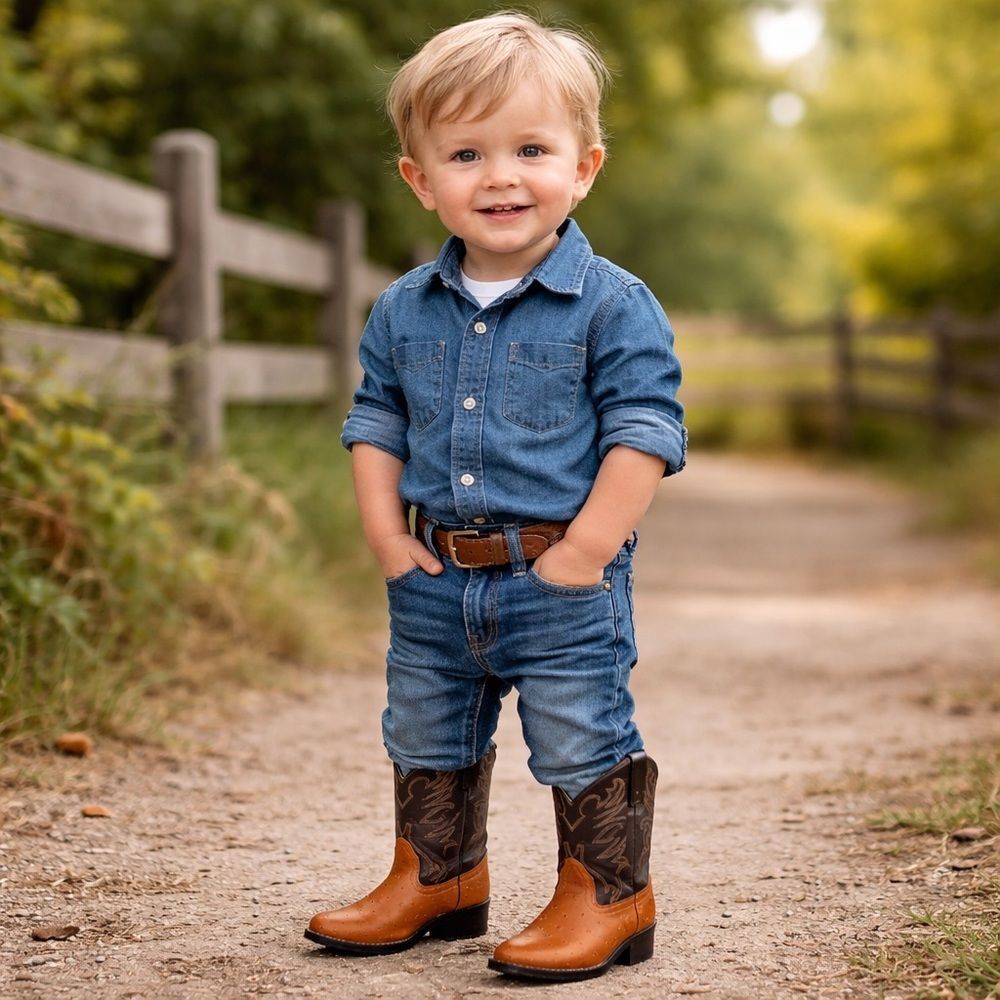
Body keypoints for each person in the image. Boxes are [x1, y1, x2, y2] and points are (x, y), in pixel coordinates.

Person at [304, 11, 686, 982]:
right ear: (420, 179)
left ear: (584, 168)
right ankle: (436, 876)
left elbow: (645, 434)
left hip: (559, 574)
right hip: (435, 575)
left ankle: (607, 894)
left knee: (578, 729)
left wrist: (586, 554)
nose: (500, 177)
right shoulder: (402, 308)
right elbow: (375, 422)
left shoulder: (613, 304)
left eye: (531, 150)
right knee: (423, 725)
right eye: (466, 154)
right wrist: (386, 536)